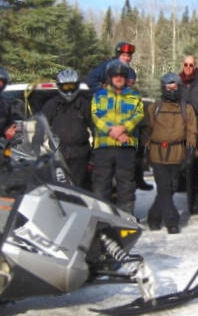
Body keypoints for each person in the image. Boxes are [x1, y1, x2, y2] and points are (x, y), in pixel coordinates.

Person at [86, 41, 152, 191]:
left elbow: (136, 108)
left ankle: (138, 176)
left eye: (129, 56)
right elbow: (90, 80)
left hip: (125, 115)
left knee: (140, 138)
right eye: (124, 55)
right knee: (103, 179)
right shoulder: (106, 67)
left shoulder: (131, 72)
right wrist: (103, 90)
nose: (127, 58)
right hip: (107, 113)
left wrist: (125, 129)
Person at [90, 60, 145, 215]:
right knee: (101, 184)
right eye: (115, 76)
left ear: (125, 77)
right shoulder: (99, 96)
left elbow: (138, 115)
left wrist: (123, 128)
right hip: (103, 146)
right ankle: (103, 217)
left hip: (126, 146)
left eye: (121, 76)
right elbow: (95, 116)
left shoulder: (134, 96)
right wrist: (112, 131)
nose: (118, 78)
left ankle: (126, 217)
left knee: (126, 184)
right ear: (110, 77)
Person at [146, 72, 197, 233]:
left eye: (175, 87)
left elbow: (191, 131)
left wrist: (190, 151)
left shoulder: (186, 108)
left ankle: (154, 217)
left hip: (177, 152)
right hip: (157, 152)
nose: (172, 90)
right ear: (164, 88)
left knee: (171, 187)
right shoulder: (155, 107)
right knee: (164, 186)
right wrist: (144, 152)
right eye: (169, 87)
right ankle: (172, 221)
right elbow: (147, 130)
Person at [41, 68, 92, 188]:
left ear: (77, 86)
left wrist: (95, 153)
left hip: (80, 154)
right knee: (57, 187)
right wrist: (35, 146)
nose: (69, 91)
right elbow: (40, 127)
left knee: (76, 187)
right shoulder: (52, 105)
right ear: (59, 87)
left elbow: (95, 127)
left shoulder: (84, 104)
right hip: (57, 154)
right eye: (65, 87)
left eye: (72, 86)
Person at [178, 55, 198, 215]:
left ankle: (194, 202)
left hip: (193, 129)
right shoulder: (177, 83)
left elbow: (194, 107)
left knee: (191, 166)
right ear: (182, 65)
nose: (188, 67)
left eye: (191, 65)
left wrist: (179, 112)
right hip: (176, 129)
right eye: (186, 64)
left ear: (195, 66)